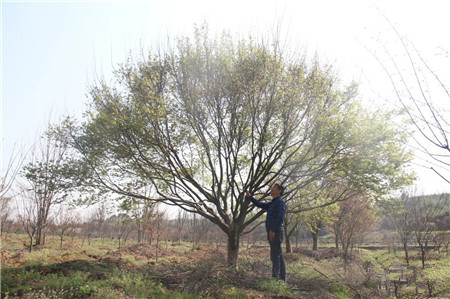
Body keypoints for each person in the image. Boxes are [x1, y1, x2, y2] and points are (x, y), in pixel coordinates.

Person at [246, 184, 286, 281]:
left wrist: (273, 230)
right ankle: (281, 278)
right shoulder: (272, 203)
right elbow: (260, 205)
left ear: (279, 191)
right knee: (278, 254)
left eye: (273, 188)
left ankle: (276, 279)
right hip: (271, 230)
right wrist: (250, 197)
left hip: (275, 231)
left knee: (275, 255)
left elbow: (280, 218)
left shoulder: (280, 202)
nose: (271, 190)